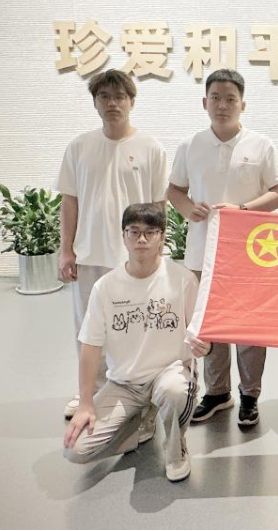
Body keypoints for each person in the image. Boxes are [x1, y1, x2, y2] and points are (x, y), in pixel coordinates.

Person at [168, 69, 278, 427]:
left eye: (231, 99)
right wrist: (187, 208)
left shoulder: (261, 145)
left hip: (250, 253)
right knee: (210, 322)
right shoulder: (190, 145)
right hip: (202, 251)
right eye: (216, 98)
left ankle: (250, 394)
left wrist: (244, 210)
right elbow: (174, 190)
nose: (223, 105)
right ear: (204, 102)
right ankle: (217, 392)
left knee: (250, 326)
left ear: (243, 105)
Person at [63, 203, 210, 482]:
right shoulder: (105, 287)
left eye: (150, 232)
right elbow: (90, 347)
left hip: (168, 373)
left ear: (162, 237)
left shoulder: (183, 280)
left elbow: (199, 334)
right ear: (124, 236)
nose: (141, 239)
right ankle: (139, 420)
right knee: (76, 450)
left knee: (174, 392)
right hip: (125, 384)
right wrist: (85, 404)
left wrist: (204, 346)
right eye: (134, 231)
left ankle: (176, 449)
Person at [56, 69, 168, 419]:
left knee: (135, 327)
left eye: (119, 96)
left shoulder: (151, 147)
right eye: (104, 96)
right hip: (90, 253)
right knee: (89, 328)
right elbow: (69, 201)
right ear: (95, 102)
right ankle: (89, 392)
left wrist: (158, 250)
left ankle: (134, 394)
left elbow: (159, 206)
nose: (112, 103)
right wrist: (66, 249)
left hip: (134, 256)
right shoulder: (79, 147)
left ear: (132, 101)